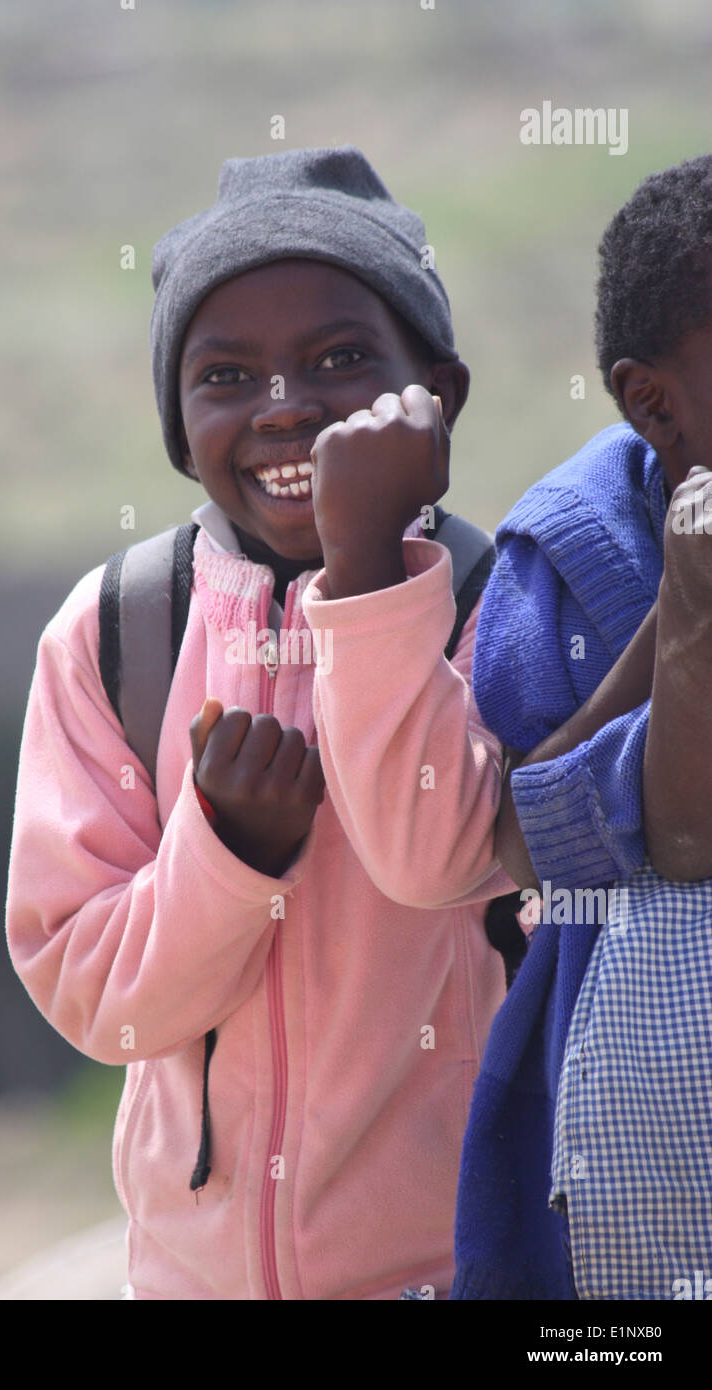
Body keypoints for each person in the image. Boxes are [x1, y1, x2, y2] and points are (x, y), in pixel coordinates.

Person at [5, 145, 516, 1300]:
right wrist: (226, 854)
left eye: (339, 360)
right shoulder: (117, 632)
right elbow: (92, 997)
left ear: (438, 394)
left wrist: (374, 575)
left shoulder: (504, 610)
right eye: (225, 376)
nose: (283, 407)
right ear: (179, 430)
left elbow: (436, 861)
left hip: (457, 1276)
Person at [450, 153, 712, 1299]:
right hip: (641, 1128)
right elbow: (528, 834)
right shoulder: (564, 557)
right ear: (651, 398)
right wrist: (682, 610)